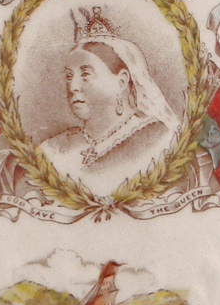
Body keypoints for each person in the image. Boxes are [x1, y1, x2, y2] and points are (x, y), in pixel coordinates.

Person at [39, 13, 179, 196]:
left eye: (85, 74)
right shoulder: (53, 149)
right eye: (69, 76)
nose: (73, 87)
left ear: (121, 82)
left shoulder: (158, 138)